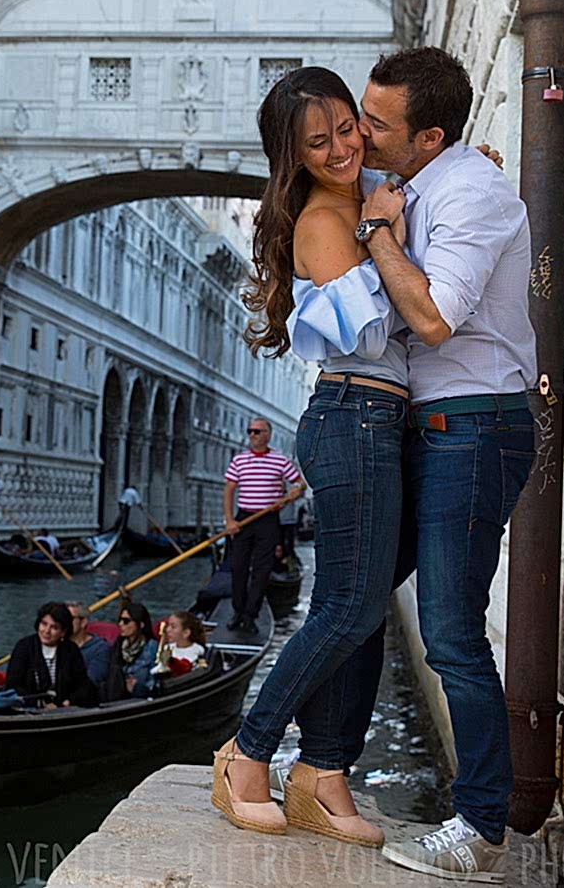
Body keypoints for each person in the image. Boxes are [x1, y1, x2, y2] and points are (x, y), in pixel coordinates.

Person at [210, 65, 411, 845]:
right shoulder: (327, 221)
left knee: (362, 614)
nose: (340, 148)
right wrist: (380, 230)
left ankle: (324, 776)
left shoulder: (364, 198)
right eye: (318, 141)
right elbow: (369, 332)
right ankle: (247, 751)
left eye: (346, 127)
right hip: (352, 413)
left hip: (377, 419)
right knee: (347, 608)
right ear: (294, 156)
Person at [351, 47, 537, 880]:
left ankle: (482, 824)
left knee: (454, 633)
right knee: (351, 599)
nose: (360, 131)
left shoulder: (472, 191)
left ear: (429, 136)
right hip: (431, 429)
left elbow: (431, 318)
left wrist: (381, 233)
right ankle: (323, 765)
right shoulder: (417, 179)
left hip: (475, 427)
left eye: (377, 122)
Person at [222, 419, 305, 630]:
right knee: (238, 567)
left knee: (262, 569)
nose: (252, 435)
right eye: (250, 431)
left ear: (268, 435)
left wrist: (296, 490)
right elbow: (229, 490)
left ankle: (251, 616)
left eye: (257, 431)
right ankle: (238, 612)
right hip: (244, 518)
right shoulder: (239, 460)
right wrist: (230, 520)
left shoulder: (279, 460)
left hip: (268, 520)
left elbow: (299, 482)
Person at [3, 601, 98, 708]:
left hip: (64, 709)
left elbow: (83, 685)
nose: (47, 631)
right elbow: (13, 685)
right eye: (44, 624)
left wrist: (67, 702)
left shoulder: (70, 650)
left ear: (63, 631)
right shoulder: (24, 647)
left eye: (54, 627)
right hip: (29, 708)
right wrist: (39, 704)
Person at [106, 602, 158, 699]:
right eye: (120, 620)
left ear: (141, 624)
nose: (120, 624)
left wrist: (137, 688)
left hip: (140, 699)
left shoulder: (152, 648)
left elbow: (155, 682)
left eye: (126, 621)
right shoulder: (117, 646)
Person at [66, 601, 111, 686]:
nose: (65, 622)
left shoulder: (100, 649)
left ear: (83, 622)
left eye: (69, 618)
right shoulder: (58, 644)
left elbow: (92, 681)